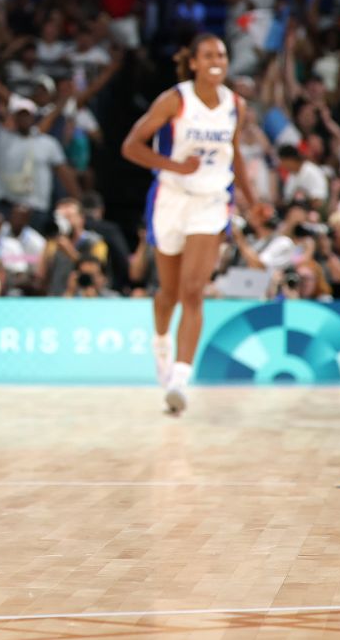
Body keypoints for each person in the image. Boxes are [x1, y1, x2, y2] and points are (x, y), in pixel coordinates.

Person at [121, 33, 256, 415]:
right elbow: (131, 146)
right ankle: (161, 341)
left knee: (193, 291)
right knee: (168, 292)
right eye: (209, 55)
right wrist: (176, 166)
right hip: (172, 199)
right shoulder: (175, 100)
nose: (217, 60)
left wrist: (254, 200)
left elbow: (236, 157)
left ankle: (180, 378)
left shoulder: (235, 105)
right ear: (194, 62)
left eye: (222, 54)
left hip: (212, 202)